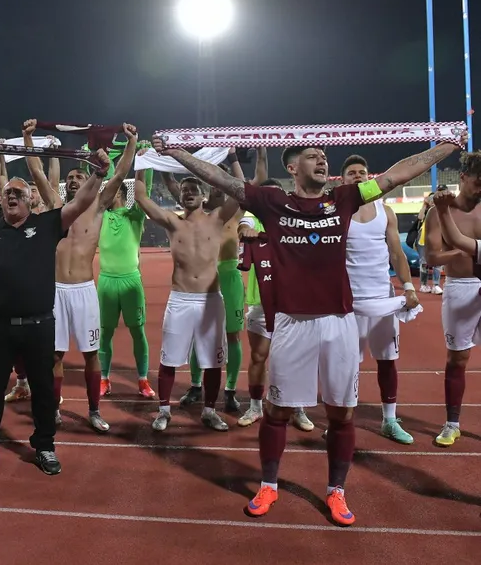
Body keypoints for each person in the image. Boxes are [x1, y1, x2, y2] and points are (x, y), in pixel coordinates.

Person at [160, 133, 464, 526]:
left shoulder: (345, 198)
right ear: (292, 167)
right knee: (277, 412)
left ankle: (336, 490)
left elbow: (397, 174)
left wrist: (447, 147)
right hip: (291, 323)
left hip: (339, 322)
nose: (322, 159)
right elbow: (222, 180)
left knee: (342, 414)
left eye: (324, 155)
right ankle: (268, 485)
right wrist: (177, 152)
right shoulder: (271, 201)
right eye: (312, 155)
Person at [0, 146, 110, 475]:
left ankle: (44, 446)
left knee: (43, 390)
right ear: (1, 200)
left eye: (18, 193)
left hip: (40, 325)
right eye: (7, 193)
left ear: (30, 200)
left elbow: (80, 203)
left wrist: (99, 173)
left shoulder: (47, 224)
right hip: (0, 326)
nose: (12, 196)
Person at [23, 120, 138, 433]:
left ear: (90, 181)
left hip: (84, 290)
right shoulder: (55, 205)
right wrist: (28, 137)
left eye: (79, 176)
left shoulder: (99, 205)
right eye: (70, 177)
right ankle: (54, 410)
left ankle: (94, 410)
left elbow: (120, 174)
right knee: (55, 356)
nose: (73, 180)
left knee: (90, 354)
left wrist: (131, 142)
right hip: (55, 290)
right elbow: (36, 171)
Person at [160, 148, 268, 413]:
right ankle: (196, 385)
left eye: (221, 180)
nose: (218, 185)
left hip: (228, 277)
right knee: (197, 337)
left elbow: (243, 186)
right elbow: (172, 183)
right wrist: (165, 157)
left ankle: (229, 390)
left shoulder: (233, 212)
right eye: (213, 180)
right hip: (200, 282)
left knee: (232, 336)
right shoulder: (201, 211)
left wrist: (234, 157)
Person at [132, 171, 239, 433]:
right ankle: (164, 411)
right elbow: (141, 197)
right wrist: (141, 166)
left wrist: (231, 158)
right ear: (179, 197)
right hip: (180, 299)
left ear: (203, 196)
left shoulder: (217, 218)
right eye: (184, 190)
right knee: (168, 360)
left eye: (194, 189)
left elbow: (240, 191)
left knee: (213, 361)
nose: (189, 193)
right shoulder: (173, 222)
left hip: (210, 301)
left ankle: (209, 411)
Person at [340, 154, 417, 444]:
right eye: (351, 172)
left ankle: (389, 420)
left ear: (369, 177)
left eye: (362, 172)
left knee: (387, 361)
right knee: (347, 364)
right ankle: (342, 421)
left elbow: (396, 253)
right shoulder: (337, 213)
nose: (357, 176)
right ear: (343, 179)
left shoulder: (386, 212)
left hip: (383, 297)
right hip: (348, 301)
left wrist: (408, 286)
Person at [235, 185, 314, 432]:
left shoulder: (296, 220)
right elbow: (243, 225)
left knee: (297, 358)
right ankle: (256, 406)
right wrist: (245, 230)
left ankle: (297, 408)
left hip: (293, 303)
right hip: (260, 302)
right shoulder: (255, 217)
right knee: (258, 356)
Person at [424, 154, 481, 446]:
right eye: (478, 182)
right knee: (457, 357)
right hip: (460, 286)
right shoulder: (438, 212)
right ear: (463, 177)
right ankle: (452, 423)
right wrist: (463, 252)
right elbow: (432, 257)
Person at [97, 164, 156, 400]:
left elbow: (144, 190)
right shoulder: (101, 216)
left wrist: (142, 166)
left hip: (131, 282)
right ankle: (103, 379)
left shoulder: (135, 216)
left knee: (137, 332)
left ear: (118, 193)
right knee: (105, 333)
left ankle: (142, 379)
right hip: (106, 282)